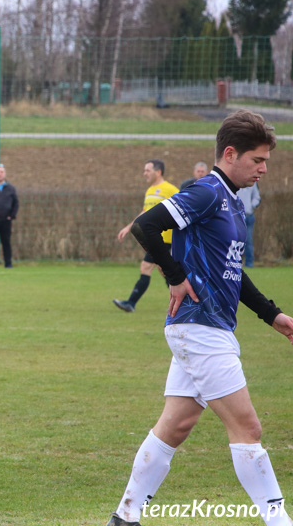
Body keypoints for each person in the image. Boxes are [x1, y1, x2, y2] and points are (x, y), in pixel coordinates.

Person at [105, 109, 293, 526]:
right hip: (200, 328)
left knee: (176, 426)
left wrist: (272, 314)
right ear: (230, 153)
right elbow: (146, 227)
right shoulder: (208, 192)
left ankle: (124, 517)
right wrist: (175, 276)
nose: (264, 168)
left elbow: (231, 270)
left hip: (208, 328)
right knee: (249, 428)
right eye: (257, 160)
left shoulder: (230, 201)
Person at [113, 160, 179, 313]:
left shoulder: (171, 190)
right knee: (165, 271)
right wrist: (129, 227)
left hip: (166, 238)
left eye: (148, 170)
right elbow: (145, 213)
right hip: (154, 238)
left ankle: (131, 303)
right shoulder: (150, 191)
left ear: (158, 172)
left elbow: (182, 211)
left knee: (148, 267)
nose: (145, 173)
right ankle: (184, 301)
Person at [238, 182, 260, 268]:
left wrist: (251, 206)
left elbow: (257, 197)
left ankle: (249, 263)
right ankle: (236, 263)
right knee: (236, 240)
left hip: (248, 215)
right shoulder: (235, 180)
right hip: (237, 216)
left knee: (248, 240)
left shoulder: (253, 183)